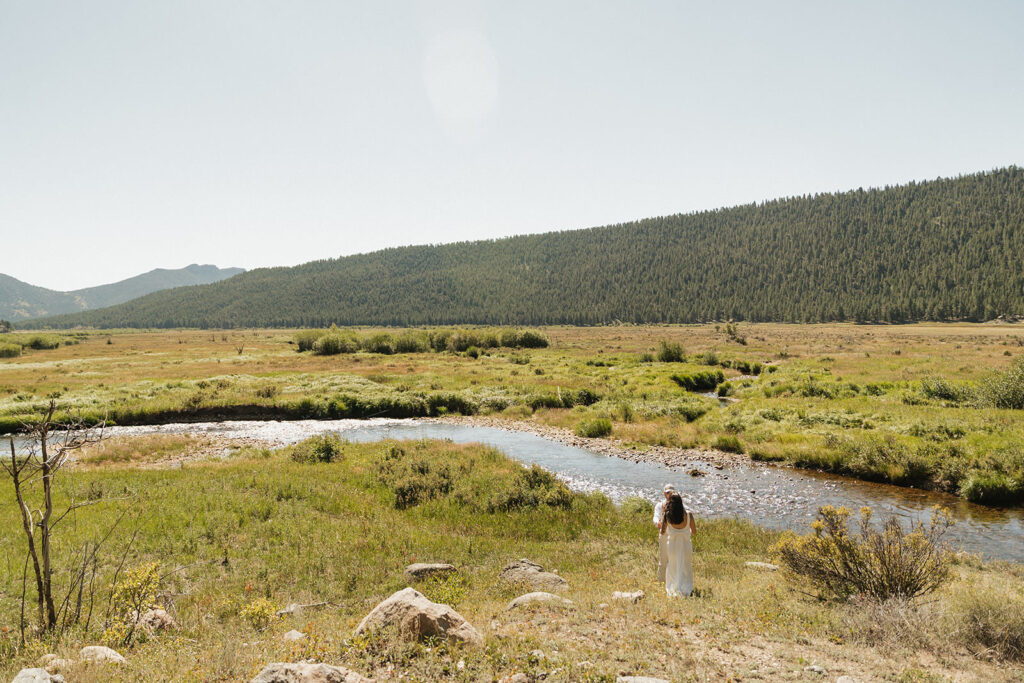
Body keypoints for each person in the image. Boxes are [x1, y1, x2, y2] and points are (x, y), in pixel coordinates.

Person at [660, 491, 696, 597]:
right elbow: (694, 531)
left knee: (672, 565)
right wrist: (684, 533)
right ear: (681, 502)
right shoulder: (689, 515)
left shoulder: (667, 515)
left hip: (672, 545)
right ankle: (686, 588)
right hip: (685, 544)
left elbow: (662, 532)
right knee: (686, 565)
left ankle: (673, 586)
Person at [652, 484, 675, 582]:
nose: (670, 494)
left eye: (671, 493)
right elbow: (655, 517)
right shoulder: (659, 505)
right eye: (668, 492)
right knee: (663, 558)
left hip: (675, 535)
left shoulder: (678, 505)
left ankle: (673, 580)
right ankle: (661, 581)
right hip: (664, 534)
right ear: (664, 493)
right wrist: (657, 523)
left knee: (674, 559)